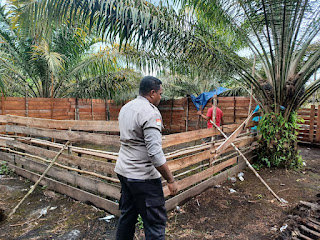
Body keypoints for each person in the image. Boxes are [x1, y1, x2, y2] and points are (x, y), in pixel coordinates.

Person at [115, 76, 178, 240]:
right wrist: (170, 180)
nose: (160, 97)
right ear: (152, 93)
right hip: (143, 178)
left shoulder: (126, 108)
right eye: (160, 93)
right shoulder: (150, 113)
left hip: (124, 171)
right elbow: (155, 154)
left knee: (127, 217)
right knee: (155, 224)